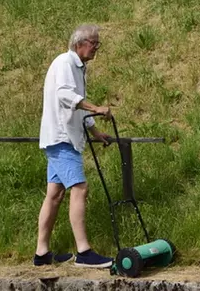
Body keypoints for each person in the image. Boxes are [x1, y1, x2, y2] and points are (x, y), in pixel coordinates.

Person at [34, 24, 115, 268]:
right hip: (62, 138)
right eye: (94, 43)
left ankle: (42, 253)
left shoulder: (78, 68)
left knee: (55, 195)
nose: (96, 48)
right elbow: (65, 96)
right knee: (80, 188)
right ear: (79, 43)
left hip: (62, 137)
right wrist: (96, 107)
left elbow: (76, 106)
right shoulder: (65, 63)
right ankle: (84, 252)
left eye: (98, 44)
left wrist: (95, 131)